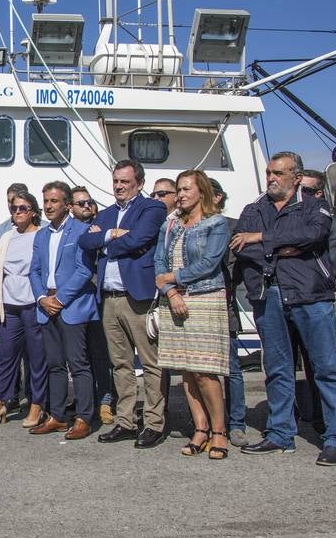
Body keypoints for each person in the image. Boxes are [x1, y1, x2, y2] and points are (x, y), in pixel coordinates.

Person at [232, 150, 336, 466]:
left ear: (296, 177)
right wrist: (280, 247)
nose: (271, 178)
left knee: (326, 368)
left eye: (278, 173)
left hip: (310, 296)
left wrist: (261, 238)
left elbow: (312, 235)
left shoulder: (315, 206)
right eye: (269, 172)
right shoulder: (253, 209)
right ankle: (281, 433)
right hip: (267, 294)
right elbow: (243, 248)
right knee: (278, 369)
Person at [82, 160, 168, 447]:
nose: (119, 186)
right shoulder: (105, 215)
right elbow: (84, 241)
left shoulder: (152, 208)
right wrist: (110, 235)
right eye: (116, 181)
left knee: (151, 362)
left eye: (125, 182)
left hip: (137, 297)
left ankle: (155, 422)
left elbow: (141, 238)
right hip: (109, 298)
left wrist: (104, 244)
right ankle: (126, 420)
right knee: (120, 364)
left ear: (139, 184)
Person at [155, 170, 232, 459]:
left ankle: (219, 431)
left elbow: (209, 264)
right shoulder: (171, 224)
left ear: (202, 191)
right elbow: (158, 260)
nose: (181, 194)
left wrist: (172, 279)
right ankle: (200, 429)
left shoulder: (217, 223)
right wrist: (171, 292)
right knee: (186, 371)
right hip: (174, 301)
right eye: (179, 189)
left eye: (187, 188)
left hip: (204, 299)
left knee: (205, 372)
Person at [29, 181, 99, 439]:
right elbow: (34, 270)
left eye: (54, 201)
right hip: (45, 306)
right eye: (45, 201)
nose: (48, 206)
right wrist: (40, 298)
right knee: (54, 365)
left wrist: (60, 299)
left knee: (78, 364)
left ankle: (83, 418)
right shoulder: (41, 235)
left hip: (71, 306)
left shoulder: (82, 231)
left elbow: (84, 270)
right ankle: (57, 416)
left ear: (67, 205)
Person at [0, 192, 46, 427]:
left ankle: (36, 405)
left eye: (22, 208)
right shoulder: (6, 238)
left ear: (33, 211)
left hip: (33, 304)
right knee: (6, 358)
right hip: (9, 306)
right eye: (14, 209)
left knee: (37, 360)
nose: (17, 212)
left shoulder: (41, 235)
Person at [214, 181, 253, 446]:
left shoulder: (232, 226)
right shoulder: (189, 225)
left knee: (232, 368)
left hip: (223, 303)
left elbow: (234, 266)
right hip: (196, 305)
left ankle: (236, 422)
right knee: (199, 370)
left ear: (217, 197)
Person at [73, 186, 115, 425]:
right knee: (80, 357)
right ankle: (84, 400)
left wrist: (98, 235)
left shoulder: (100, 227)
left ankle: (106, 400)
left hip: (98, 299)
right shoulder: (71, 231)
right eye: (81, 203)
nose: (87, 206)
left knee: (101, 354)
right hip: (76, 301)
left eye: (89, 202)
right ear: (71, 207)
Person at [0, 182, 30, 271]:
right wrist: (9, 263)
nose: (12, 205)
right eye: (9, 201)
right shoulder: (1, 229)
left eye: (15, 201)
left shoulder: (43, 227)